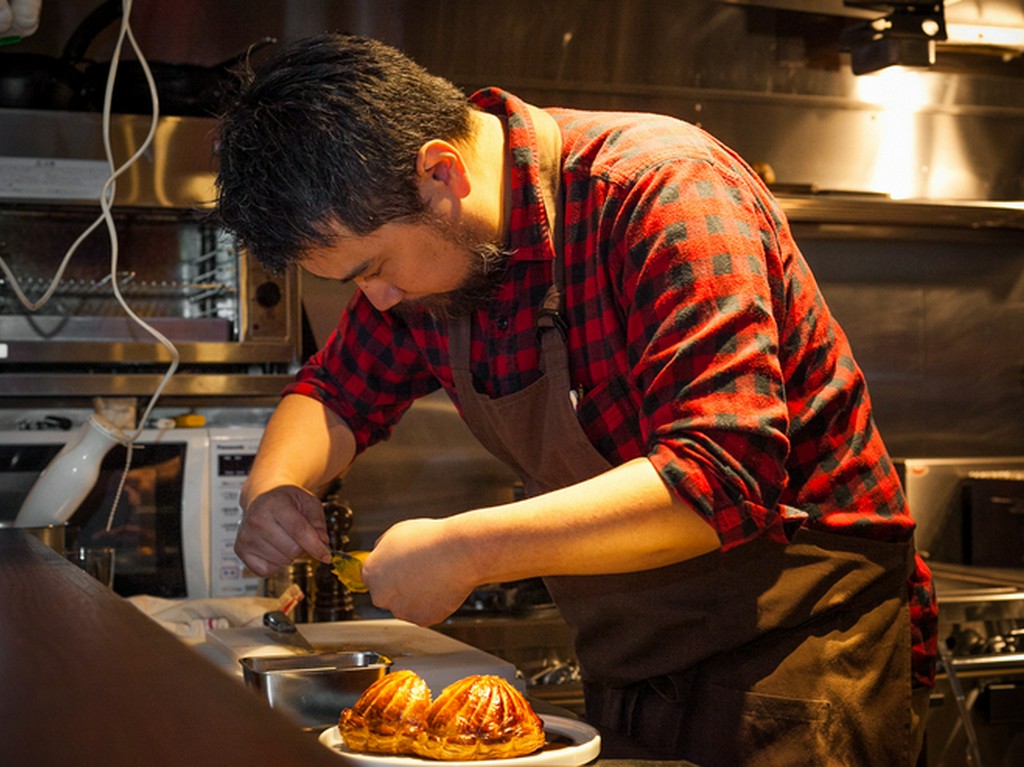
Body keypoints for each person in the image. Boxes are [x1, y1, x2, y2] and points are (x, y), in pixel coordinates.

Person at [214, 33, 937, 766]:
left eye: (374, 270)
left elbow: (721, 474)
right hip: (630, 660)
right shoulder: (432, 248)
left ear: (441, 172)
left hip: (797, 652)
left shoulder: (662, 189)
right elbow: (336, 391)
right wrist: (275, 488)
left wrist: (465, 549)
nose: (378, 298)